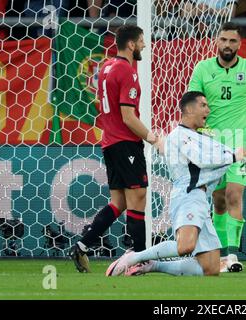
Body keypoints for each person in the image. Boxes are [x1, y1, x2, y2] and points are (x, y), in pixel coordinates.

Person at [105, 91, 246, 277]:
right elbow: (202, 159)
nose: (208, 109)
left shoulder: (196, 136)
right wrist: (233, 155)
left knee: (211, 268)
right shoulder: (180, 135)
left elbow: (213, 160)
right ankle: (135, 256)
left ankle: (152, 265)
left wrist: (239, 153)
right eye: (203, 105)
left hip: (200, 200)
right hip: (188, 196)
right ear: (188, 109)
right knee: (185, 245)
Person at [69, 24, 159, 273]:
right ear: (131, 44)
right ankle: (139, 258)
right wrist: (154, 139)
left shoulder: (107, 66)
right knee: (137, 197)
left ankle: (83, 245)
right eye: (141, 41)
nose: (143, 45)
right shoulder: (127, 71)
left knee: (118, 202)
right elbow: (129, 117)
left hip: (109, 141)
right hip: (125, 142)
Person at [188, 22, 246, 272]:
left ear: (240, 43)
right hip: (211, 142)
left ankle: (233, 256)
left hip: (241, 141)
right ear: (217, 41)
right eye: (224, 40)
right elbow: (192, 105)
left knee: (234, 194)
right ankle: (220, 253)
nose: (228, 45)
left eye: (232, 41)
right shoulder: (203, 69)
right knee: (218, 203)